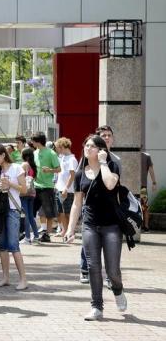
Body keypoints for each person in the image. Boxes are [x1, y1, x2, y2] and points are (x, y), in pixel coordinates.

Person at [64, 135, 127, 321]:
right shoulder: (80, 173)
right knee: (93, 266)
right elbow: (76, 204)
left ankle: (117, 289)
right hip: (90, 225)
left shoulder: (112, 167)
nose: (87, 148)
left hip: (112, 225)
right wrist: (70, 229)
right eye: (86, 145)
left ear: (101, 149)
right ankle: (96, 306)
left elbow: (109, 184)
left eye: (92, 146)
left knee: (112, 269)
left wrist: (103, 162)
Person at [0, 145, 28, 290]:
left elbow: (24, 189)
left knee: (14, 245)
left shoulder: (16, 168)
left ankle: (23, 279)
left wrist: (9, 183)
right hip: (0, 210)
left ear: (3, 155)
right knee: (2, 246)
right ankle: (5, 277)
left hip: (13, 209)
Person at [32, 132, 60, 243]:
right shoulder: (34, 153)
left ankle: (47, 234)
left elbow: (58, 169)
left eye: (33, 141)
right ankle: (33, 233)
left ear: (38, 141)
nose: (32, 143)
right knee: (31, 211)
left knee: (49, 212)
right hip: (35, 186)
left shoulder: (51, 153)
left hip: (47, 186)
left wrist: (49, 170)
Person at [54, 137, 78, 238]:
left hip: (68, 190)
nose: (56, 150)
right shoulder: (63, 157)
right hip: (59, 188)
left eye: (57, 148)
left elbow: (72, 175)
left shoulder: (72, 159)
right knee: (61, 212)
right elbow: (60, 171)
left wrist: (66, 188)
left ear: (62, 147)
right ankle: (64, 231)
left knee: (68, 212)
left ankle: (70, 232)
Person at [20, 147, 40, 244]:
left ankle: (27, 237)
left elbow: (20, 177)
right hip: (32, 192)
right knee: (31, 215)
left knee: (26, 215)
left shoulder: (24, 164)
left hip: (24, 192)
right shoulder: (33, 166)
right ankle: (36, 236)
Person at [140, 150, 157, 232]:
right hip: (134, 186)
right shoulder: (145, 156)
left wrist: (154, 182)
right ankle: (141, 226)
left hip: (142, 187)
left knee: (145, 206)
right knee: (142, 206)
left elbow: (151, 169)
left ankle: (146, 226)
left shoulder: (146, 156)